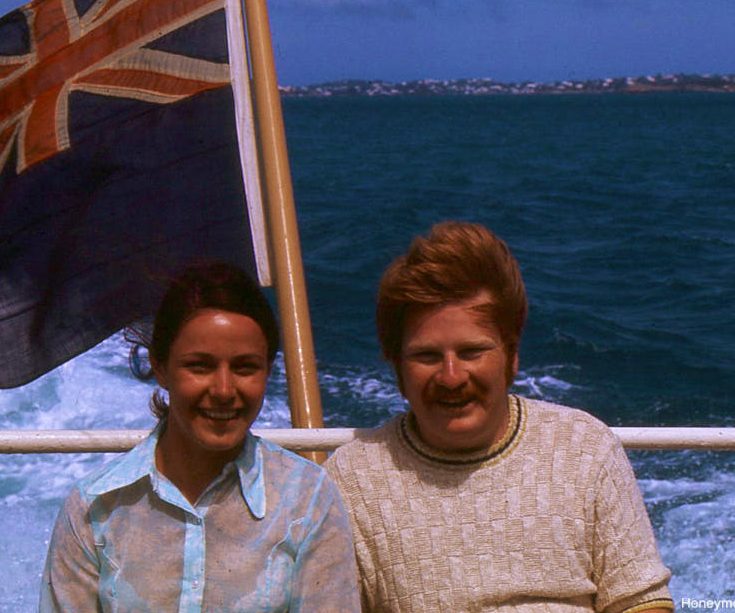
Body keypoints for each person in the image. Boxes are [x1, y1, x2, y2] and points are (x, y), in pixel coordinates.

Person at [324, 222, 674, 613]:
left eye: (472, 352)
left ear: (512, 356)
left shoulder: (585, 448)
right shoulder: (352, 480)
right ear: (396, 367)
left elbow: (641, 602)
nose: (452, 376)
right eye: (427, 356)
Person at [40, 261, 360, 612]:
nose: (224, 389)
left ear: (268, 371)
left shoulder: (307, 500)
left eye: (244, 367)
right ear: (160, 367)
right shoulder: (95, 507)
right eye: (200, 366)